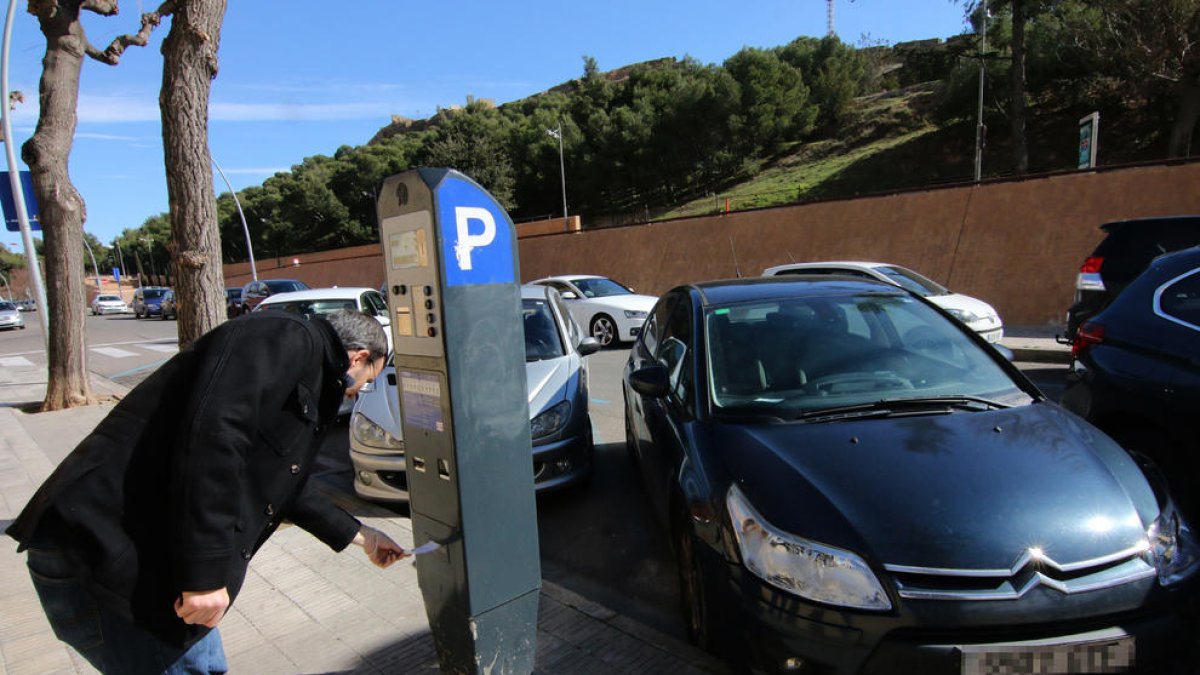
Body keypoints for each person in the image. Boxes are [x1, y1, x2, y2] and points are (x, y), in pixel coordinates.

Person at [6, 308, 408, 674]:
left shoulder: (301, 365)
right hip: (106, 554)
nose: (355, 392)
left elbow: (283, 483)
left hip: (149, 564)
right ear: (358, 356)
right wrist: (203, 576)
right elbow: (213, 439)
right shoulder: (289, 337)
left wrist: (363, 536)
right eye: (366, 381)